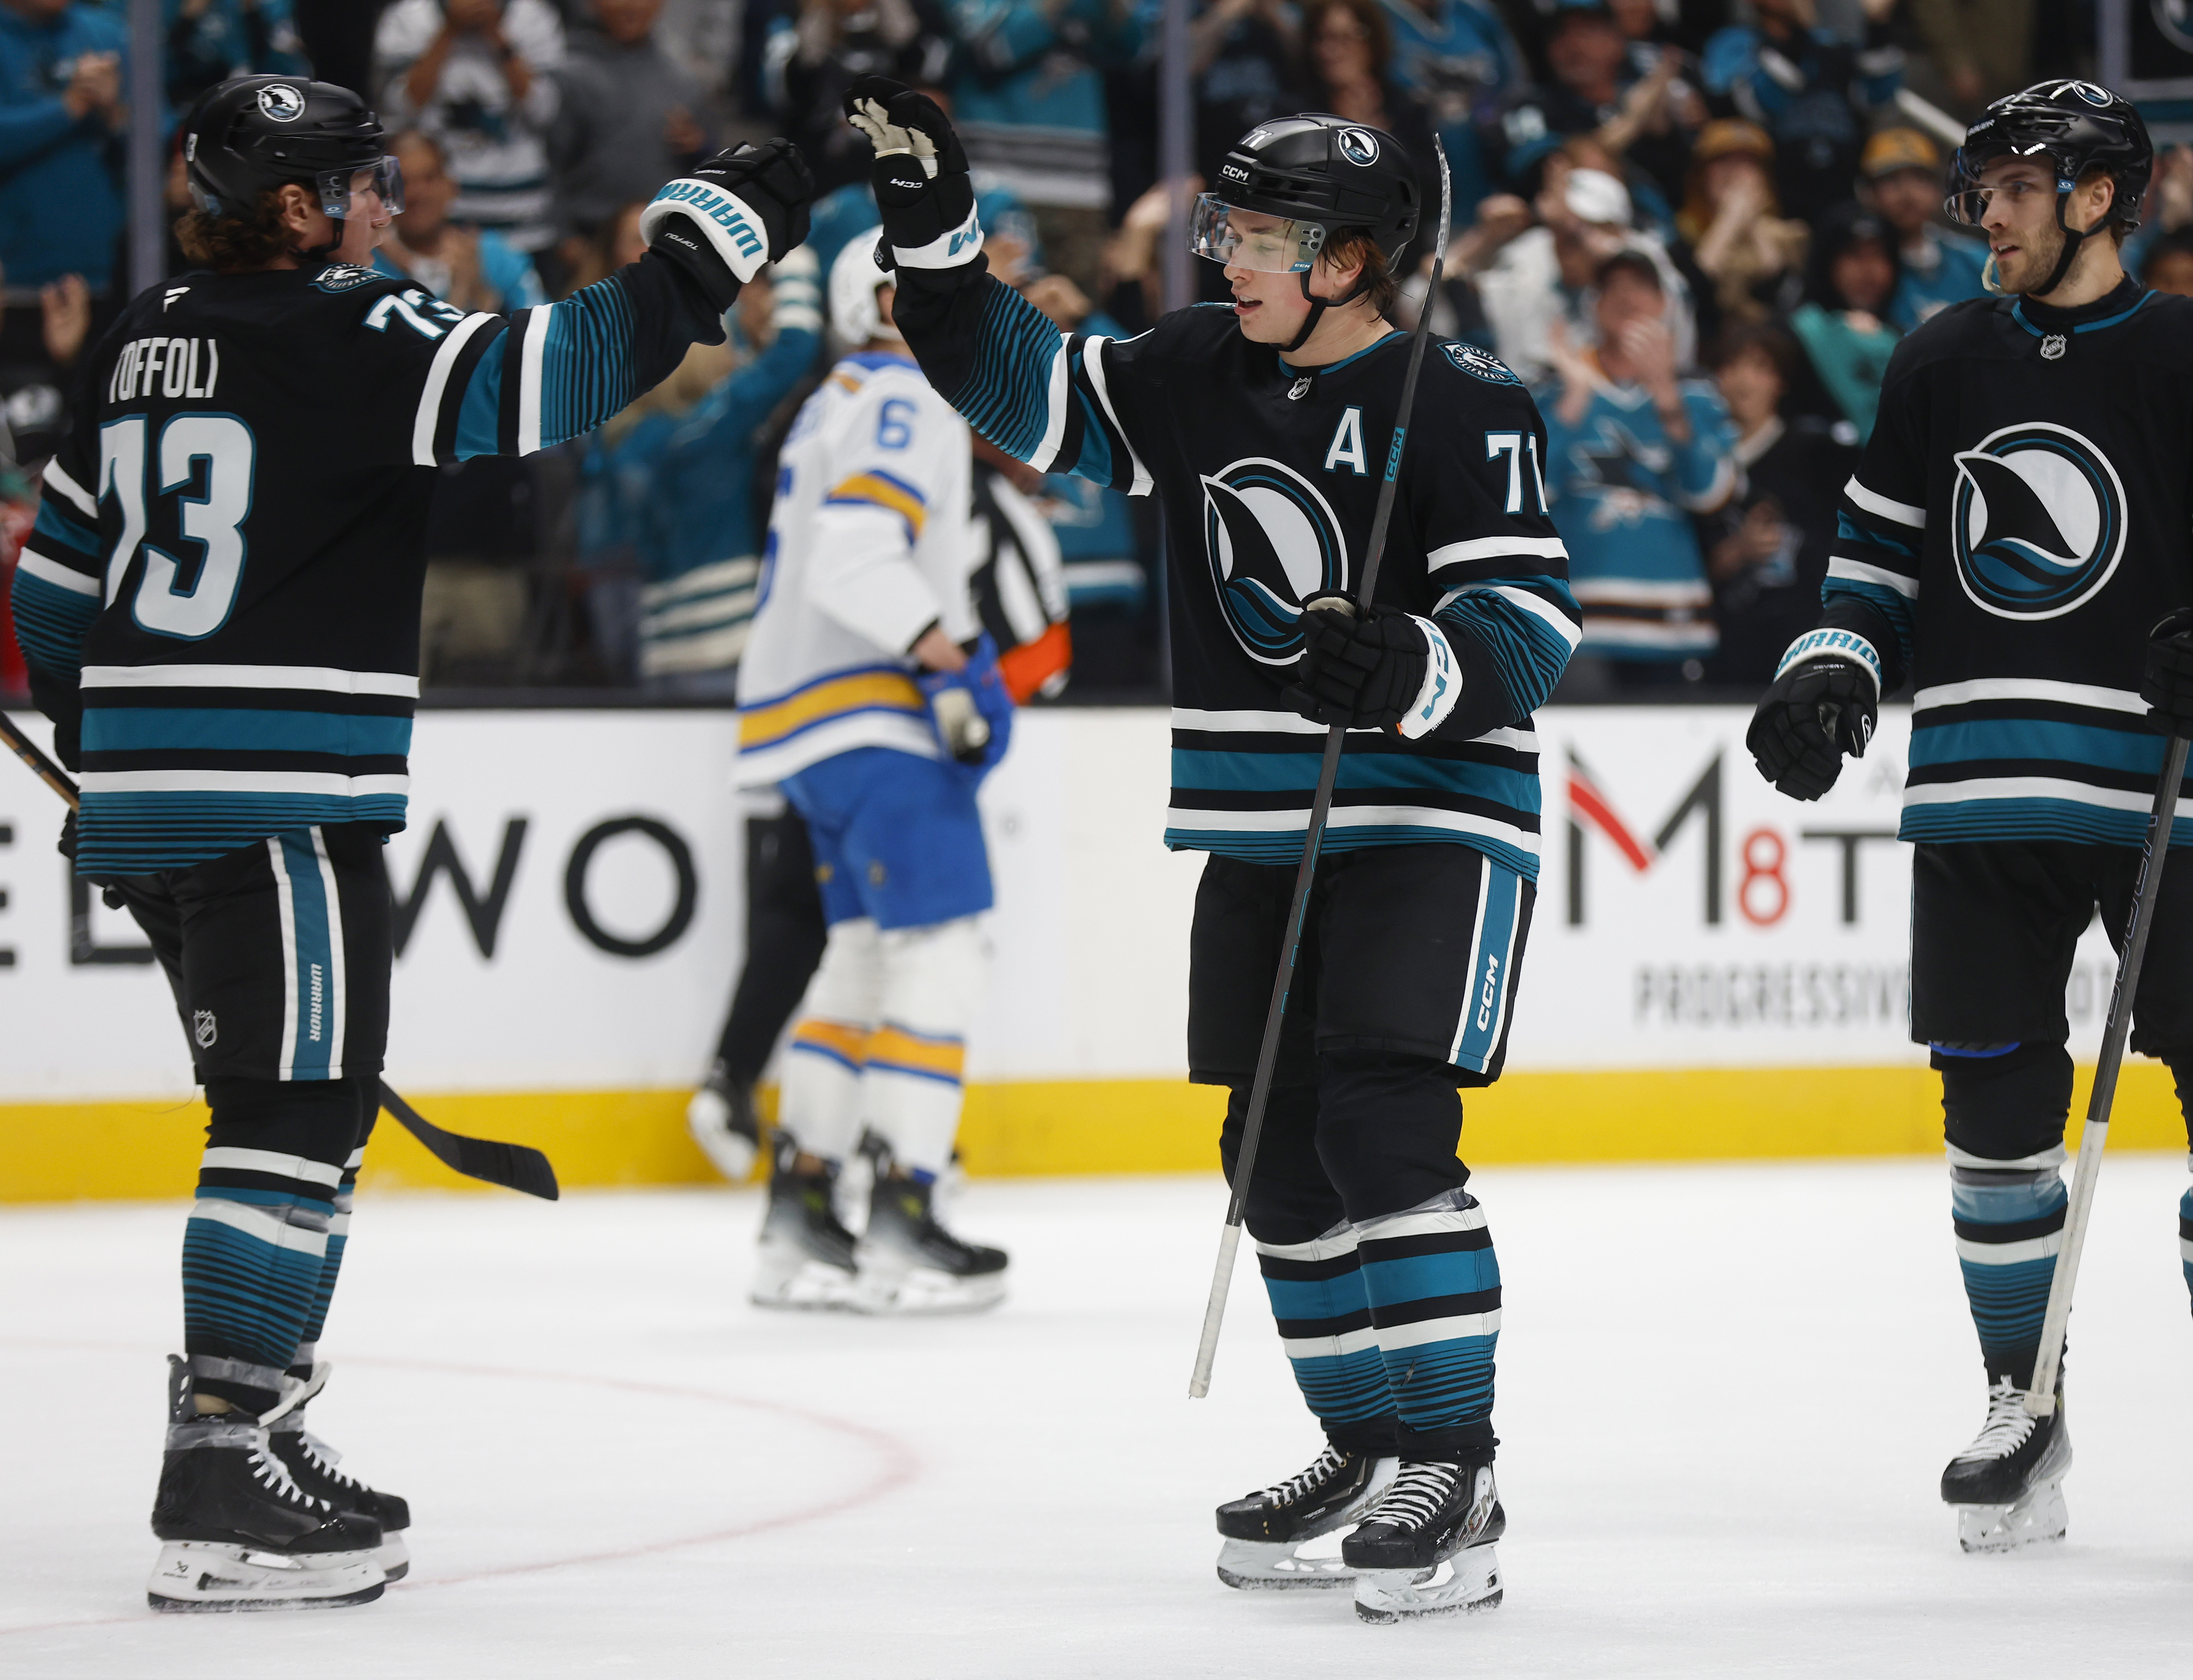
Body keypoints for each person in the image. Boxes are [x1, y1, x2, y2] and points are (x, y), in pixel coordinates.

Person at [8, 72, 812, 1608]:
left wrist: (123, 763)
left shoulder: (132, 341)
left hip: (158, 800)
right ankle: (224, 1453)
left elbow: (55, 598)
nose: (388, 207)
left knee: (288, 1110)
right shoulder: (354, 331)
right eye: (365, 185)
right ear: (300, 209)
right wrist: (723, 224)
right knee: (288, 1117)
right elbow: (565, 372)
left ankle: (258, 1418)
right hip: (286, 797)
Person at [845, 79, 1581, 1619]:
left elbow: (1531, 622)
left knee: (1384, 1126)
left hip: (1431, 820)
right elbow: (1019, 388)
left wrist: (1414, 666)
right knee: (1272, 1151)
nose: (1225, 253)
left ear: (1355, 257)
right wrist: (934, 235)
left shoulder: (1463, 399)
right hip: (1260, 823)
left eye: (1261, 231)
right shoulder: (1188, 369)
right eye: (1227, 223)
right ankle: (1367, 1440)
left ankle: (1456, 1461)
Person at [1746, 80, 2193, 1556]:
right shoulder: (1938, 359)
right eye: (1979, 183)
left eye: (2014, 184)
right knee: (1994, 1106)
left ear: (2096, 197)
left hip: (2166, 810)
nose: (1982, 209)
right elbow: (1872, 559)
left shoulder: (2187, 349)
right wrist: (1829, 671)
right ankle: (2024, 1392)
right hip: (1979, 788)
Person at [731, 238, 1015, 1314]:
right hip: (876, 721)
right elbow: (859, 553)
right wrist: (945, 654)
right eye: (949, 282)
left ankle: (800, 1218)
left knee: (852, 962)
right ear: (885, 298)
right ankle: (905, 1217)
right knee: (938, 957)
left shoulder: (833, 397)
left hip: (806, 731)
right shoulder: (906, 393)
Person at [1541, 248, 1736, 686]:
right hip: (1577, 628)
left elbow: (1712, 494)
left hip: (1675, 624)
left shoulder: (1700, 398)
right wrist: (1573, 401)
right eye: (1613, 287)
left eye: (1642, 287)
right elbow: (1527, 496)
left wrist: (1667, 398)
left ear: (1666, 305)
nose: (1628, 297)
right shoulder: (1553, 394)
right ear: (1593, 305)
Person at [1700, 319, 1854, 685]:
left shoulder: (1821, 457)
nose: (1743, 380)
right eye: (1731, 366)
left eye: (1760, 367)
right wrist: (1735, 553)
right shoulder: (1699, 467)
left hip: (1807, 647)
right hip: (1725, 660)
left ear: (1781, 381)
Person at [375, 0, 567, 254]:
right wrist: (448, 31)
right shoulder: (409, 16)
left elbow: (545, 111)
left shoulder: (534, 16)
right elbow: (401, 110)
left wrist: (497, 35)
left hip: (522, 214)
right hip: (438, 217)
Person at [551, 0, 711, 243]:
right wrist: (564, 237)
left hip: (662, 237)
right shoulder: (569, 76)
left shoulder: (682, 79)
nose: (631, 6)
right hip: (589, 237)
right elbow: (550, 162)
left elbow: (710, 165)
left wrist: (698, 147)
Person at [0, 0, 127, 298]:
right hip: (12, 277)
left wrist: (114, 112)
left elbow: (156, 138)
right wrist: (70, 106)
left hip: (105, 269)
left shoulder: (106, 32)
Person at [1785, 201, 1900, 442]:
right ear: (1826, 262)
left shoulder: (1905, 338)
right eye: (1855, 256)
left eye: (1880, 256)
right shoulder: (1794, 338)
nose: (1870, 271)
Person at [1859, 126, 1987, 331]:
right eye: (1892, 180)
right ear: (1869, 194)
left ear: (1939, 190)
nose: (1908, 194)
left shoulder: (1976, 261)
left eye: (1920, 178)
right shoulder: (1861, 271)